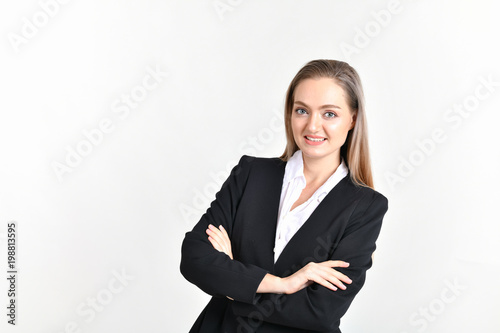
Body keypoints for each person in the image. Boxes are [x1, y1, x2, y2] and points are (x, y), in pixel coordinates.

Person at [180, 59, 389, 332]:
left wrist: (234, 282)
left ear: (352, 119)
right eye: (302, 110)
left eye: (329, 114)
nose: (312, 126)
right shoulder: (251, 174)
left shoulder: (365, 207)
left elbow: (320, 311)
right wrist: (283, 284)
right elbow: (194, 258)